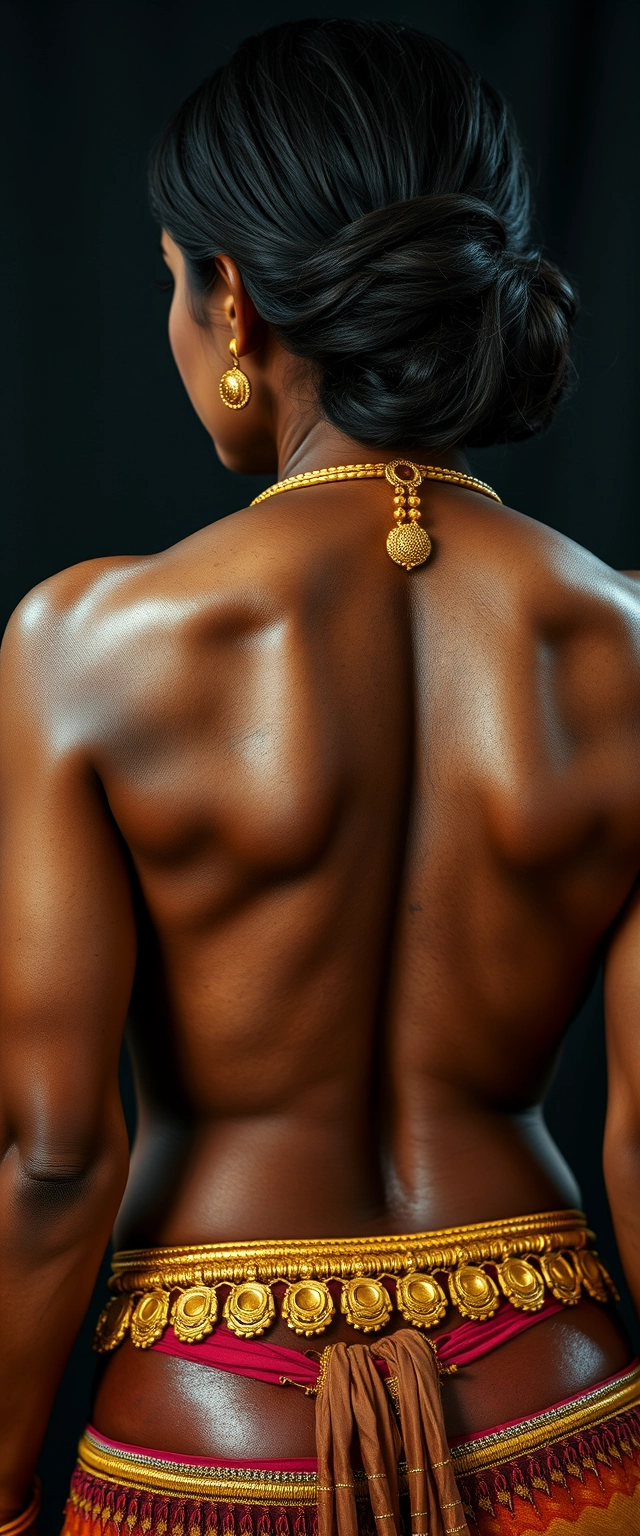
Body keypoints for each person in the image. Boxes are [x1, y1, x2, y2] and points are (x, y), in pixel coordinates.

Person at [1, 19, 640, 1536]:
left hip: (210, 1441)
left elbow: (51, 1152)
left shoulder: (88, 643)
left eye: (175, 278)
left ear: (231, 301)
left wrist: (6, 1480)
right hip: (565, 1413)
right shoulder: (625, 644)